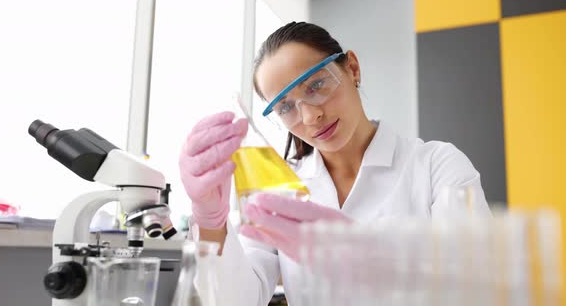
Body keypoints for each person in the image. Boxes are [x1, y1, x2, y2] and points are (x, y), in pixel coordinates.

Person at [178, 21, 491, 305]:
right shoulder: (281, 191)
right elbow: (237, 301)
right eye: (286, 106)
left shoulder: (438, 166)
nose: (310, 116)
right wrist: (211, 222)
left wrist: (371, 259)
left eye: (316, 85)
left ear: (352, 68)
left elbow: (478, 288)